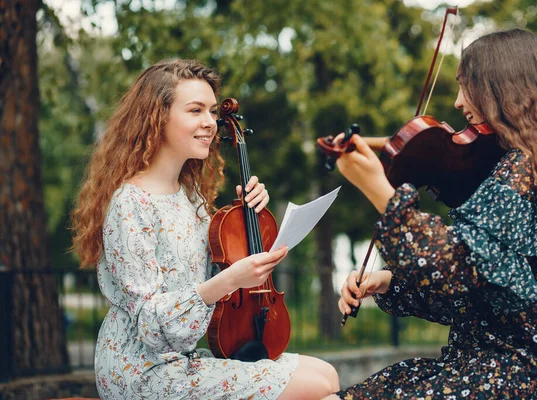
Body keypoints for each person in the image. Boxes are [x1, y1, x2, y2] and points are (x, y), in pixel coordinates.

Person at [325, 28, 537, 399]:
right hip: (503, 365)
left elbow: (457, 265)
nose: (456, 102)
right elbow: (475, 298)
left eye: (466, 87)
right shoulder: (529, 167)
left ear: (501, 90)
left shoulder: (521, 172)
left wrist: (380, 190)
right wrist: (388, 283)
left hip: (522, 374)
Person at [71, 59, 339, 399]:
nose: (211, 123)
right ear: (157, 116)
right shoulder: (130, 204)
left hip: (181, 361)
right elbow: (150, 325)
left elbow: (213, 271)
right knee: (321, 385)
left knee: (327, 378)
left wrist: (246, 219)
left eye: (212, 111)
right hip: (141, 371)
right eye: (195, 110)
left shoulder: (191, 197)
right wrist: (230, 280)